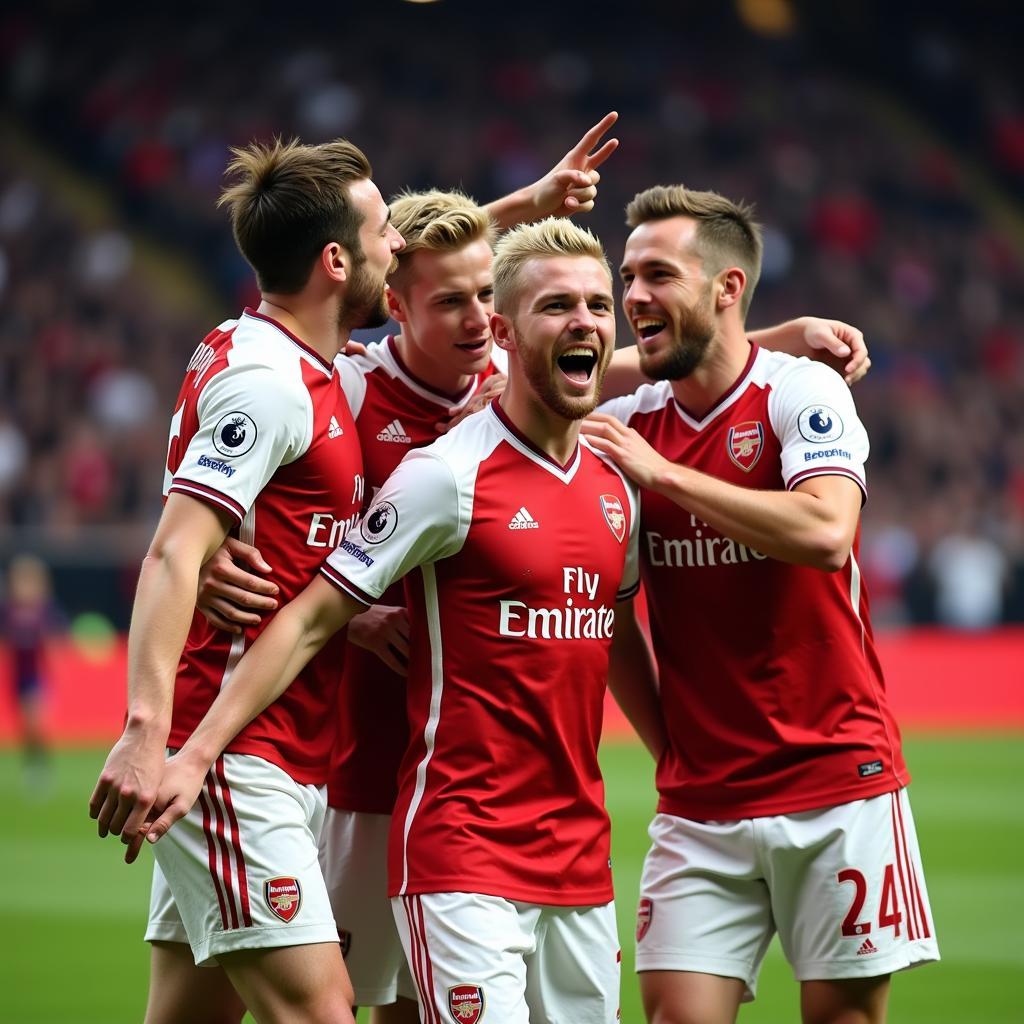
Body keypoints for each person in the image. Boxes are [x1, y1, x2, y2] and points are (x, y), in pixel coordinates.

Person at [137, 217, 662, 1024]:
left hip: (570, 849)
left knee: (191, 1006)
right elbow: (302, 597)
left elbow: (605, 347)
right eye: (451, 299)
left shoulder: (610, 476)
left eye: (601, 303)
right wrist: (200, 557)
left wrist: (777, 338)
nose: (585, 320)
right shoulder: (377, 417)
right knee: (331, 1007)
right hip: (385, 797)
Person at [583, 184, 939, 1024]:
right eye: (627, 276)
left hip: (838, 784)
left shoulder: (799, 397)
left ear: (727, 287)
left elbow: (824, 531)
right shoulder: (630, 422)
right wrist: (669, 745)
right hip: (701, 802)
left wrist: (666, 475)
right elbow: (612, 617)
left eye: (657, 275)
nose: (632, 296)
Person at [88, 136, 406, 1024]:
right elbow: (172, 552)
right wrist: (147, 732)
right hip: (226, 757)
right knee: (322, 1009)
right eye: (385, 232)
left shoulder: (277, 354)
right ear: (337, 261)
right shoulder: (271, 384)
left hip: (285, 750)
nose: (399, 249)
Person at [1, 553, 63, 790]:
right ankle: (31, 764)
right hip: (17, 676)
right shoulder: (8, 610)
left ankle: (41, 767)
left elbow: (52, 641)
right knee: (25, 728)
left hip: (36, 677)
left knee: (36, 723)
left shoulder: (44, 610)